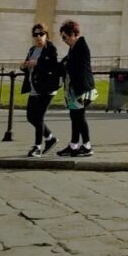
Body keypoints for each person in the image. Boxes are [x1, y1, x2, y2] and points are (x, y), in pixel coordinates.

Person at [21, 22, 60, 156]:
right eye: (36, 34)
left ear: (46, 35)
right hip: (34, 87)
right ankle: (50, 138)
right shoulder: (32, 50)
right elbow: (28, 64)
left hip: (47, 88)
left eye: (41, 34)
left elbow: (53, 64)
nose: (38, 37)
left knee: (38, 117)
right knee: (30, 117)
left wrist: (37, 62)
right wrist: (24, 66)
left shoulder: (50, 48)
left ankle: (37, 146)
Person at [58, 19, 95, 157]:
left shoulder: (81, 46)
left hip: (82, 89)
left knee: (79, 117)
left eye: (64, 37)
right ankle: (74, 145)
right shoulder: (73, 47)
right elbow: (65, 63)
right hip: (75, 89)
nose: (63, 40)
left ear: (73, 34)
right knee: (75, 117)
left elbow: (74, 67)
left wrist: (64, 65)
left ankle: (87, 146)